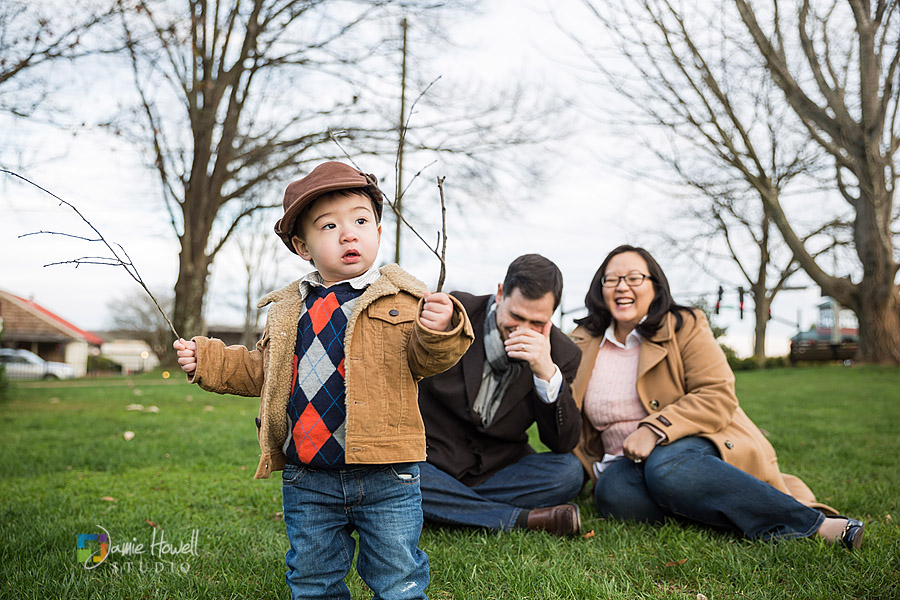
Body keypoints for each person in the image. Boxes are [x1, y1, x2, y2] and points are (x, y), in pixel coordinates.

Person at [173, 161, 474, 600]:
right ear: (302, 246)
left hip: (386, 474)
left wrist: (440, 327)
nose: (348, 233)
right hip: (308, 475)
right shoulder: (288, 309)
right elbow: (262, 370)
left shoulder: (403, 300)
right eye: (328, 226)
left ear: (377, 230)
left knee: (397, 577)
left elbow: (427, 358)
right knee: (313, 578)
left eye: (359, 220)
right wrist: (209, 360)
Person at [570, 244, 864, 549]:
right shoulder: (581, 342)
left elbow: (716, 393)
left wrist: (653, 429)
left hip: (688, 443)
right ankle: (731, 508)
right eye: (611, 279)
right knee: (613, 494)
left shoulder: (684, 325)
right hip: (624, 463)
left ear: (655, 287)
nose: (621, 287)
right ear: (599, 288)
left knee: (665, 468)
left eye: (634, 278)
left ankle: (813, 525)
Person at [417, 254, 585, 536]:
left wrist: (546, 373)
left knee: (568, 472)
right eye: (516, 316)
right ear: (500, 293)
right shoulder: (457, 314)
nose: (523, 329)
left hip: (496, 470)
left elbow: (562, 442)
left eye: (537, 323)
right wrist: (435, 337)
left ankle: (445, 505)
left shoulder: (563, 353)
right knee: (395, 471)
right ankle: (517, 519)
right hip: (430, 459)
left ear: (552, 315)